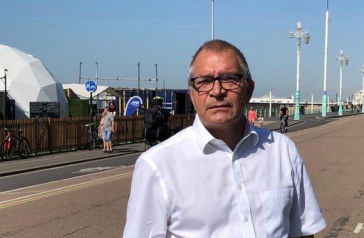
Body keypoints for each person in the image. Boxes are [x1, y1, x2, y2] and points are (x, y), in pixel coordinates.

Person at [123, 40, 326, 238]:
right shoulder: (157, 164)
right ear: (192, 95)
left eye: (229, 79)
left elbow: (302, 231)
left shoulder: (283, 151)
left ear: (248, 90)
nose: (217, 91)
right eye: (204, 82)